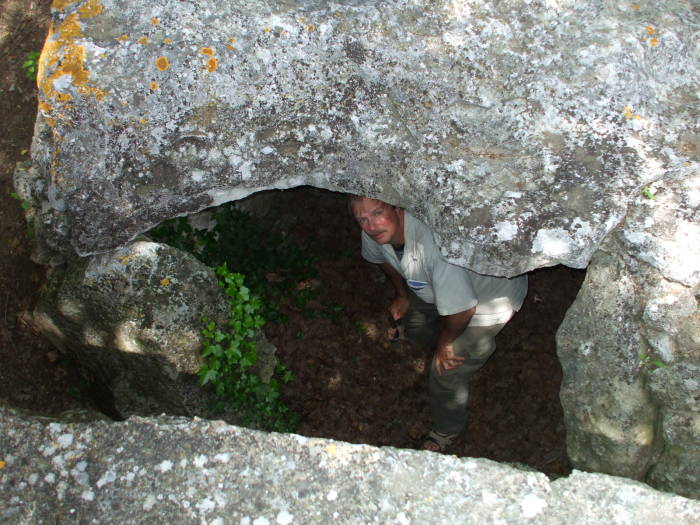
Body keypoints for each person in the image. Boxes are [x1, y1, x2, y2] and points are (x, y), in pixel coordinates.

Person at [349, 196, 528, 452]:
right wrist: (401, 294)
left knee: (445, 370)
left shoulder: (433, 248)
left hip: (487, 299)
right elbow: (382, 260)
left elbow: (464, 308)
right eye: (362, 219)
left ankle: (447, 429)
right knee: (416, 326)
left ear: (398, 209)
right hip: (437, 289)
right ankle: (426, 334)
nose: (371, 225)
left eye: (377, 213)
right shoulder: (374, 232)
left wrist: (447, 343)